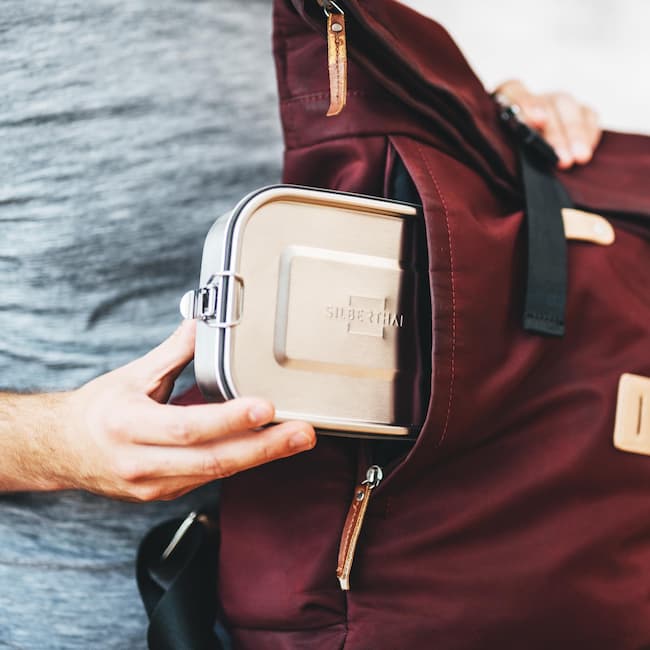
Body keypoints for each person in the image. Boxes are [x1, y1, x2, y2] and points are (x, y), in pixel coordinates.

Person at [0, 0, 602, 647]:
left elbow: (405, 206)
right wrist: (60, 442)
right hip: (94, 607)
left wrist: (490, 134)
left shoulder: (310, 12)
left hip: (397, 584)